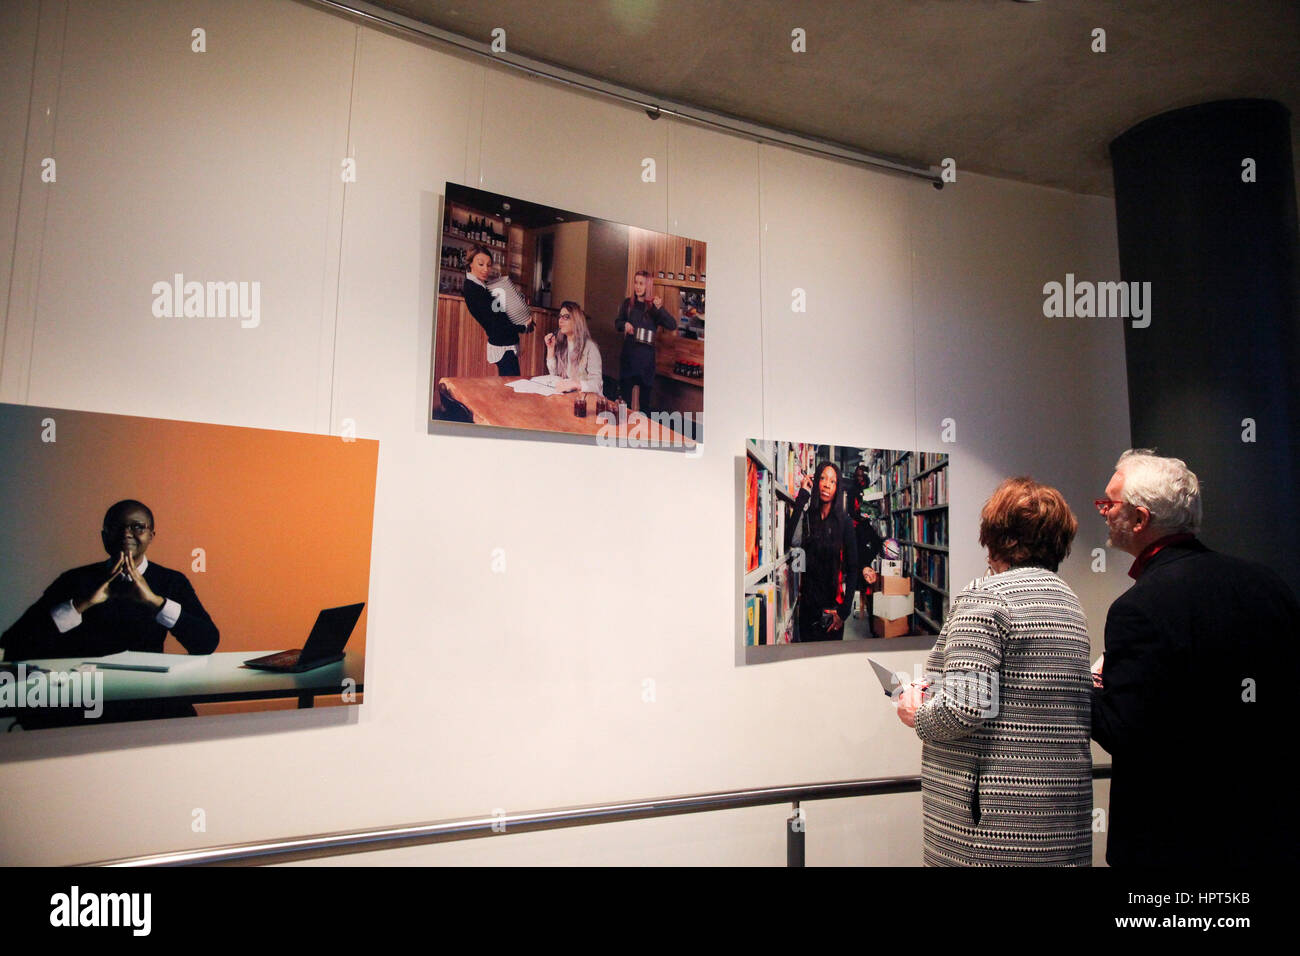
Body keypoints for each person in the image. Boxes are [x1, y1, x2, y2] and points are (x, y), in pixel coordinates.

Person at [1091, 449, 1298, 867]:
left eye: (1109, 503)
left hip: (1173, 838)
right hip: (1268, 827)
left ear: (1139, 519)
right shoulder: (1268, 584)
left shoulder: (1139, 606)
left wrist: (1086, 687)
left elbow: (1123, 732)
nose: (1103, 512)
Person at [896, 477, 1092, 866]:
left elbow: (965, 708)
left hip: (989, 828)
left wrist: (915, 713)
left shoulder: (987, 596)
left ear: (997, 534)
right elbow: (1019, 690)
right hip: (1058, 821)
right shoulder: (1069, 603)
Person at [1, 500, 220, 725]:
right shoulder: (74, 580)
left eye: (137, 527)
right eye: (117, 527)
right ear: (104, 537)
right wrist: (81, 603)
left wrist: (155, 602)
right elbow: (14, 644)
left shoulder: (171, 581)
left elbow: (206, 642)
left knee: (181, 722)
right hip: (85, 700)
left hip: (147, 697)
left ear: (151, 536)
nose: (126, 533)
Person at [783, 462, 871, 642]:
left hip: (832, 612)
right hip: (807, 609)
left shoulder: (844, 522)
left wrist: (844, 611)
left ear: (837, 487)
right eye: (822, 478)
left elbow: (853, 569)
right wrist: (803, 495)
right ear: (816, 483)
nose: (826, 484)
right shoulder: (808, 518)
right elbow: (790, 539)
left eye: (832, 481)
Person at [461, 244, 532, 377]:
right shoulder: (473, 289)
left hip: (504, 342)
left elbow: (498, 315)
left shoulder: (479, 285)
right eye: (481, 264)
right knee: (511, 389)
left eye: (489, 265)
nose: (485, 269)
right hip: (502, 344)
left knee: (510, 387)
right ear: (470, 264)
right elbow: (495, 323)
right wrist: (522, 327)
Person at [614, 270, 676, 410]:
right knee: (624, 402)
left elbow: (672, 325)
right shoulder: (628, 304)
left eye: (641, 283)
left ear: (648, 285)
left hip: (646, 361)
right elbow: (617, 323)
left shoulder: (654, 308)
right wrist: (624, 324)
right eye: (636, 282)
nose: (638, 286)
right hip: (628, 358)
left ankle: (643, 430)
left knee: (645, 405)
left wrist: (660, 308)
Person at [847, 463, 884, 616]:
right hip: (857, 526)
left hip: (866, 525)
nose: (860, 477)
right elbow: (850, 510)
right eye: (858, 475)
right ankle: (862, 594)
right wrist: (859, 516)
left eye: (863, 475)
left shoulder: (869, 489)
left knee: (876, 543)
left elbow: (874, 510)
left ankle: (868, 593)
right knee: (858, 556)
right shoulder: (852, 490)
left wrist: (870, 513)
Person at [544, 301, 603, 394]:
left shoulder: (590, 347)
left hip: (587, 399)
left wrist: (576, 384)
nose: (560, 320)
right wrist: (550, 349)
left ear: (576, 321)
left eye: (566, 317)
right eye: (560, 316)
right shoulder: (562, 343)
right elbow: (554, 375)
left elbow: (597, 384)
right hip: (569, 397)